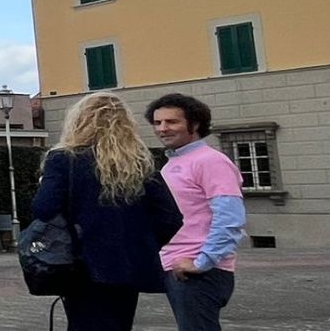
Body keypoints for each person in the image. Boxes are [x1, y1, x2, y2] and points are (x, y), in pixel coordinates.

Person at [31, 92, 183, 331]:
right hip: (128, 265)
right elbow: (170, 217)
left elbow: (44, 208)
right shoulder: (140, 162)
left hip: (81, 264)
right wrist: (141, 242)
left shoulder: (64, 159)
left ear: (79, 121)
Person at [149, 93, 243, 331]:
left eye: (172, 122)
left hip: (198, 271)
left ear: (196, 124)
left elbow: (230, 218)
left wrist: (202, 262)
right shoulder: (174, 163)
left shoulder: (211, 161)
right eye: (157, 122)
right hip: (179, 267)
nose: (162, 129)